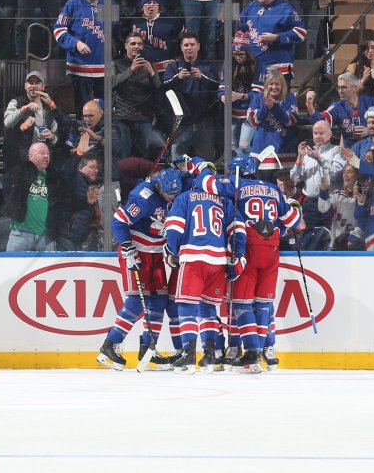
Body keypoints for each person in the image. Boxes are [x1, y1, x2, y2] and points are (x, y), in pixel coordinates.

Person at [194, 153, 302, 370]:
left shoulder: (236, 185)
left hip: (248, 248)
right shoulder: (273, 189)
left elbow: (205, 183)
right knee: (263, 304)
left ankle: (249, 350)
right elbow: (294, 221)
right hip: (271, 250)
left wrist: (202, 166)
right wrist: (293, 205)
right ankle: (262, 351)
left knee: (240, 303)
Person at [98, 167, 183, 370]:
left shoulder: (173, 190)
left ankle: (148, 351)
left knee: (159, 300)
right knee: (137, 299)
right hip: (136, 252)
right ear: (159, 186)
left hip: (155, 254)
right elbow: (118, 222)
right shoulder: (143, 197)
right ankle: (110, 346)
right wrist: (128, 249)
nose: (172, 197)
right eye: (169, 193)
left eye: (175, 193)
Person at [164, 170, 245, 372]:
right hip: (218, 260)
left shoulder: (185, 197)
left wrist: (172, 251)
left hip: (193, 258)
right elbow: (237, 231)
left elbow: (174, 228)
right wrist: (237, 256)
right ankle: (209, 354)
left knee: (186, 306)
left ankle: (189, 354)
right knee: (208, 308)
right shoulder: (225, 201)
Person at [53, 0, 106, 113]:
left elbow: (113, 28)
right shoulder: (73, 3)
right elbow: (58, 30)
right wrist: (76, 43)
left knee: (104, 109)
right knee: (83, 110)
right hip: (80, 65)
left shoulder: (107, 2)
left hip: (103, 66)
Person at [163, 33, 220, 159]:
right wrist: (178, 78)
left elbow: (217, 85)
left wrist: (201, 77)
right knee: (177, 160)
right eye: (186, 45)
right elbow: (164, 87)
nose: (189, 48)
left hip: (203, 120)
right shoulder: (173, 66)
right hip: (181, 121)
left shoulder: (208, 67)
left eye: (192, 45)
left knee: (205, 160)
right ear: (181, 47)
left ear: (198, 46)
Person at [239, 0, 307, 80]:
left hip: (278, 68)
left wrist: (277, 37)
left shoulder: (285, 8)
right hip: (255, 67)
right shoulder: (251, 6)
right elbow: (242, 27)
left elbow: (301, 33)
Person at [111, 33, 163, 170]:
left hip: (144, 118)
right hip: (123, 118)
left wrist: (152, 73)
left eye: (139, 44)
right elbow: (110, 84)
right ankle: (121, 182)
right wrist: (131, 70)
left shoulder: (149, 65)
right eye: (133, 43)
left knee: (145, 156)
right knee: (123, 156)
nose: (136, 46)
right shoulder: (116, 64)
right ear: (125, 46)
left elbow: (159, 89)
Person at [3, 142, 64, 252]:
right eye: (42, 153)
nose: (46, 156)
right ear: (30, 156)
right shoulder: (19, 173)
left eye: (47, 154)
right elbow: (11, 152)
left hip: (46, 236)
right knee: (12, 263)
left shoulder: (53, 178)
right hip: (21, 233)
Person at [306, 72, 374, 144]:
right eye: (338, 88)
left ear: (355, 89)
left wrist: (370, 131)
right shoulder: (337, 107)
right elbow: (320, 121)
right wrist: (309, 104)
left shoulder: (370, 102)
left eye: (344, 87)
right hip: (350, 149)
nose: (340, 91)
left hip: (372, 146)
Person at [247, 68, 298, 157]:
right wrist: (265, 107)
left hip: (284, 149)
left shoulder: (289, 98)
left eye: (277, 84)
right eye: (271, 84)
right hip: (260, 149)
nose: (274, 87)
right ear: (266, 85)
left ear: (282, 85)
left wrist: (274, 107)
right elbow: (252, 121)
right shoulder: (259, 98)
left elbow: (291, 120)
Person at [291, 120, 345, 191]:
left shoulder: (337, 150)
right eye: (315, 133)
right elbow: (296, 178)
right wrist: (300, 157)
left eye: (321, 133)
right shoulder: (307, 153)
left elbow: (337, 175)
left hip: (330, 196)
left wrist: (319, 159)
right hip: (308, 197)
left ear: (330, 134)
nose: (318, 136)